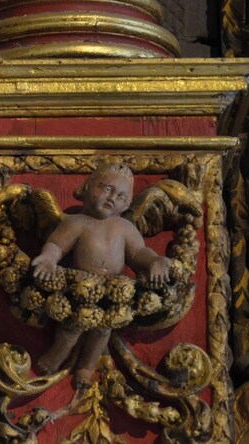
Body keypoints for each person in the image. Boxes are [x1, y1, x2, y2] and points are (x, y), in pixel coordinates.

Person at [31, 163, 171, 386]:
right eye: (106, 188)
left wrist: (154, 260)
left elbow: (138, 253)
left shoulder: (124, 227)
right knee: (72, 325)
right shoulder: (76, 223)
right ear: (86, 187)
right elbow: (56, 245)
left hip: (113, 290)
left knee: (102, 329)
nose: (113, 197)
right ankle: (57, 354)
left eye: (122, 195)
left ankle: (87, 366)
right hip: (81, 288)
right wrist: (48, 258)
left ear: (127, 203)